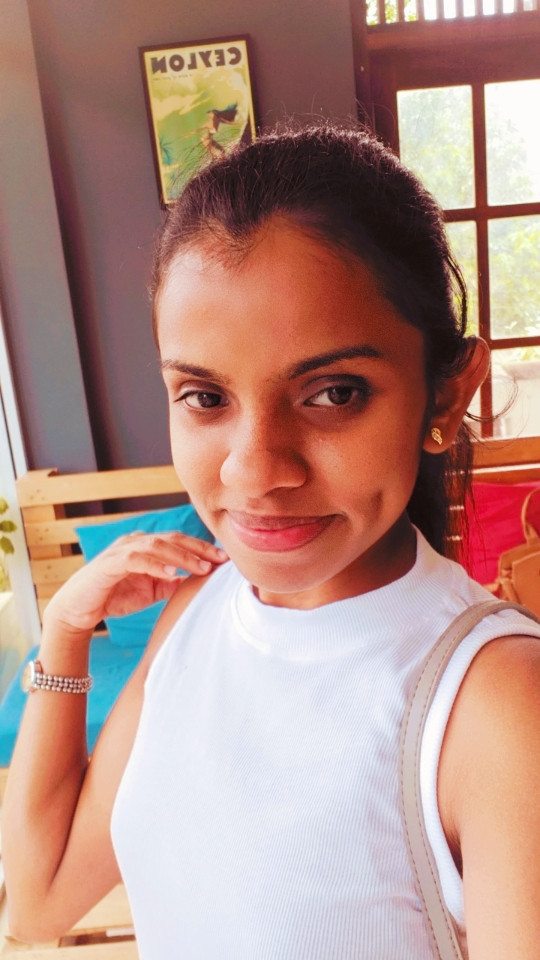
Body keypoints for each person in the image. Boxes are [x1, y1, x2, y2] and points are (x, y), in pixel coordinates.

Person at [3, 123, 540, 960]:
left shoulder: (496, 703)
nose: (254, 473)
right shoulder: (194, 613)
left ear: (444, 394)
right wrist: (67, 632)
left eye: (334, 393)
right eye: (204, 397)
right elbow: (36, 906)